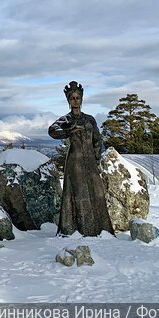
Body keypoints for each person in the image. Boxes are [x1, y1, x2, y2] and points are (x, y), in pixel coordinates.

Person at [48, 81, 114, 237]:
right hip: (75, 161)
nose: (75, 100)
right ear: (68, 100)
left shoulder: (90, 119)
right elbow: (52, 130)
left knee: (96, 192)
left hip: (90, 161)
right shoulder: (66, 119)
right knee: (79, 193)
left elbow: (97, 139)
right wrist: (69, 130)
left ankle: (100, 227)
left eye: (78, 97)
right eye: (72, 98)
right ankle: (80, 228)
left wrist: (97, 157)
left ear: (82, 99)